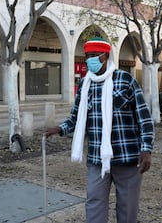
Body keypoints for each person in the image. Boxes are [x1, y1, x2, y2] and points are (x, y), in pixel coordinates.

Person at [45, 37, 154, 223]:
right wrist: (59, 129)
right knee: (94, 203)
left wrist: (146, 148)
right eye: (87, 56)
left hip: (127, 158)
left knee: (128, 208)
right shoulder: (85, 85)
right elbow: (75, 118)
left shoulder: (125, 80)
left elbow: (144, 117)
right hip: (97, 158)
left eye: (94, 56)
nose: (90, 60)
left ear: (106, 56)